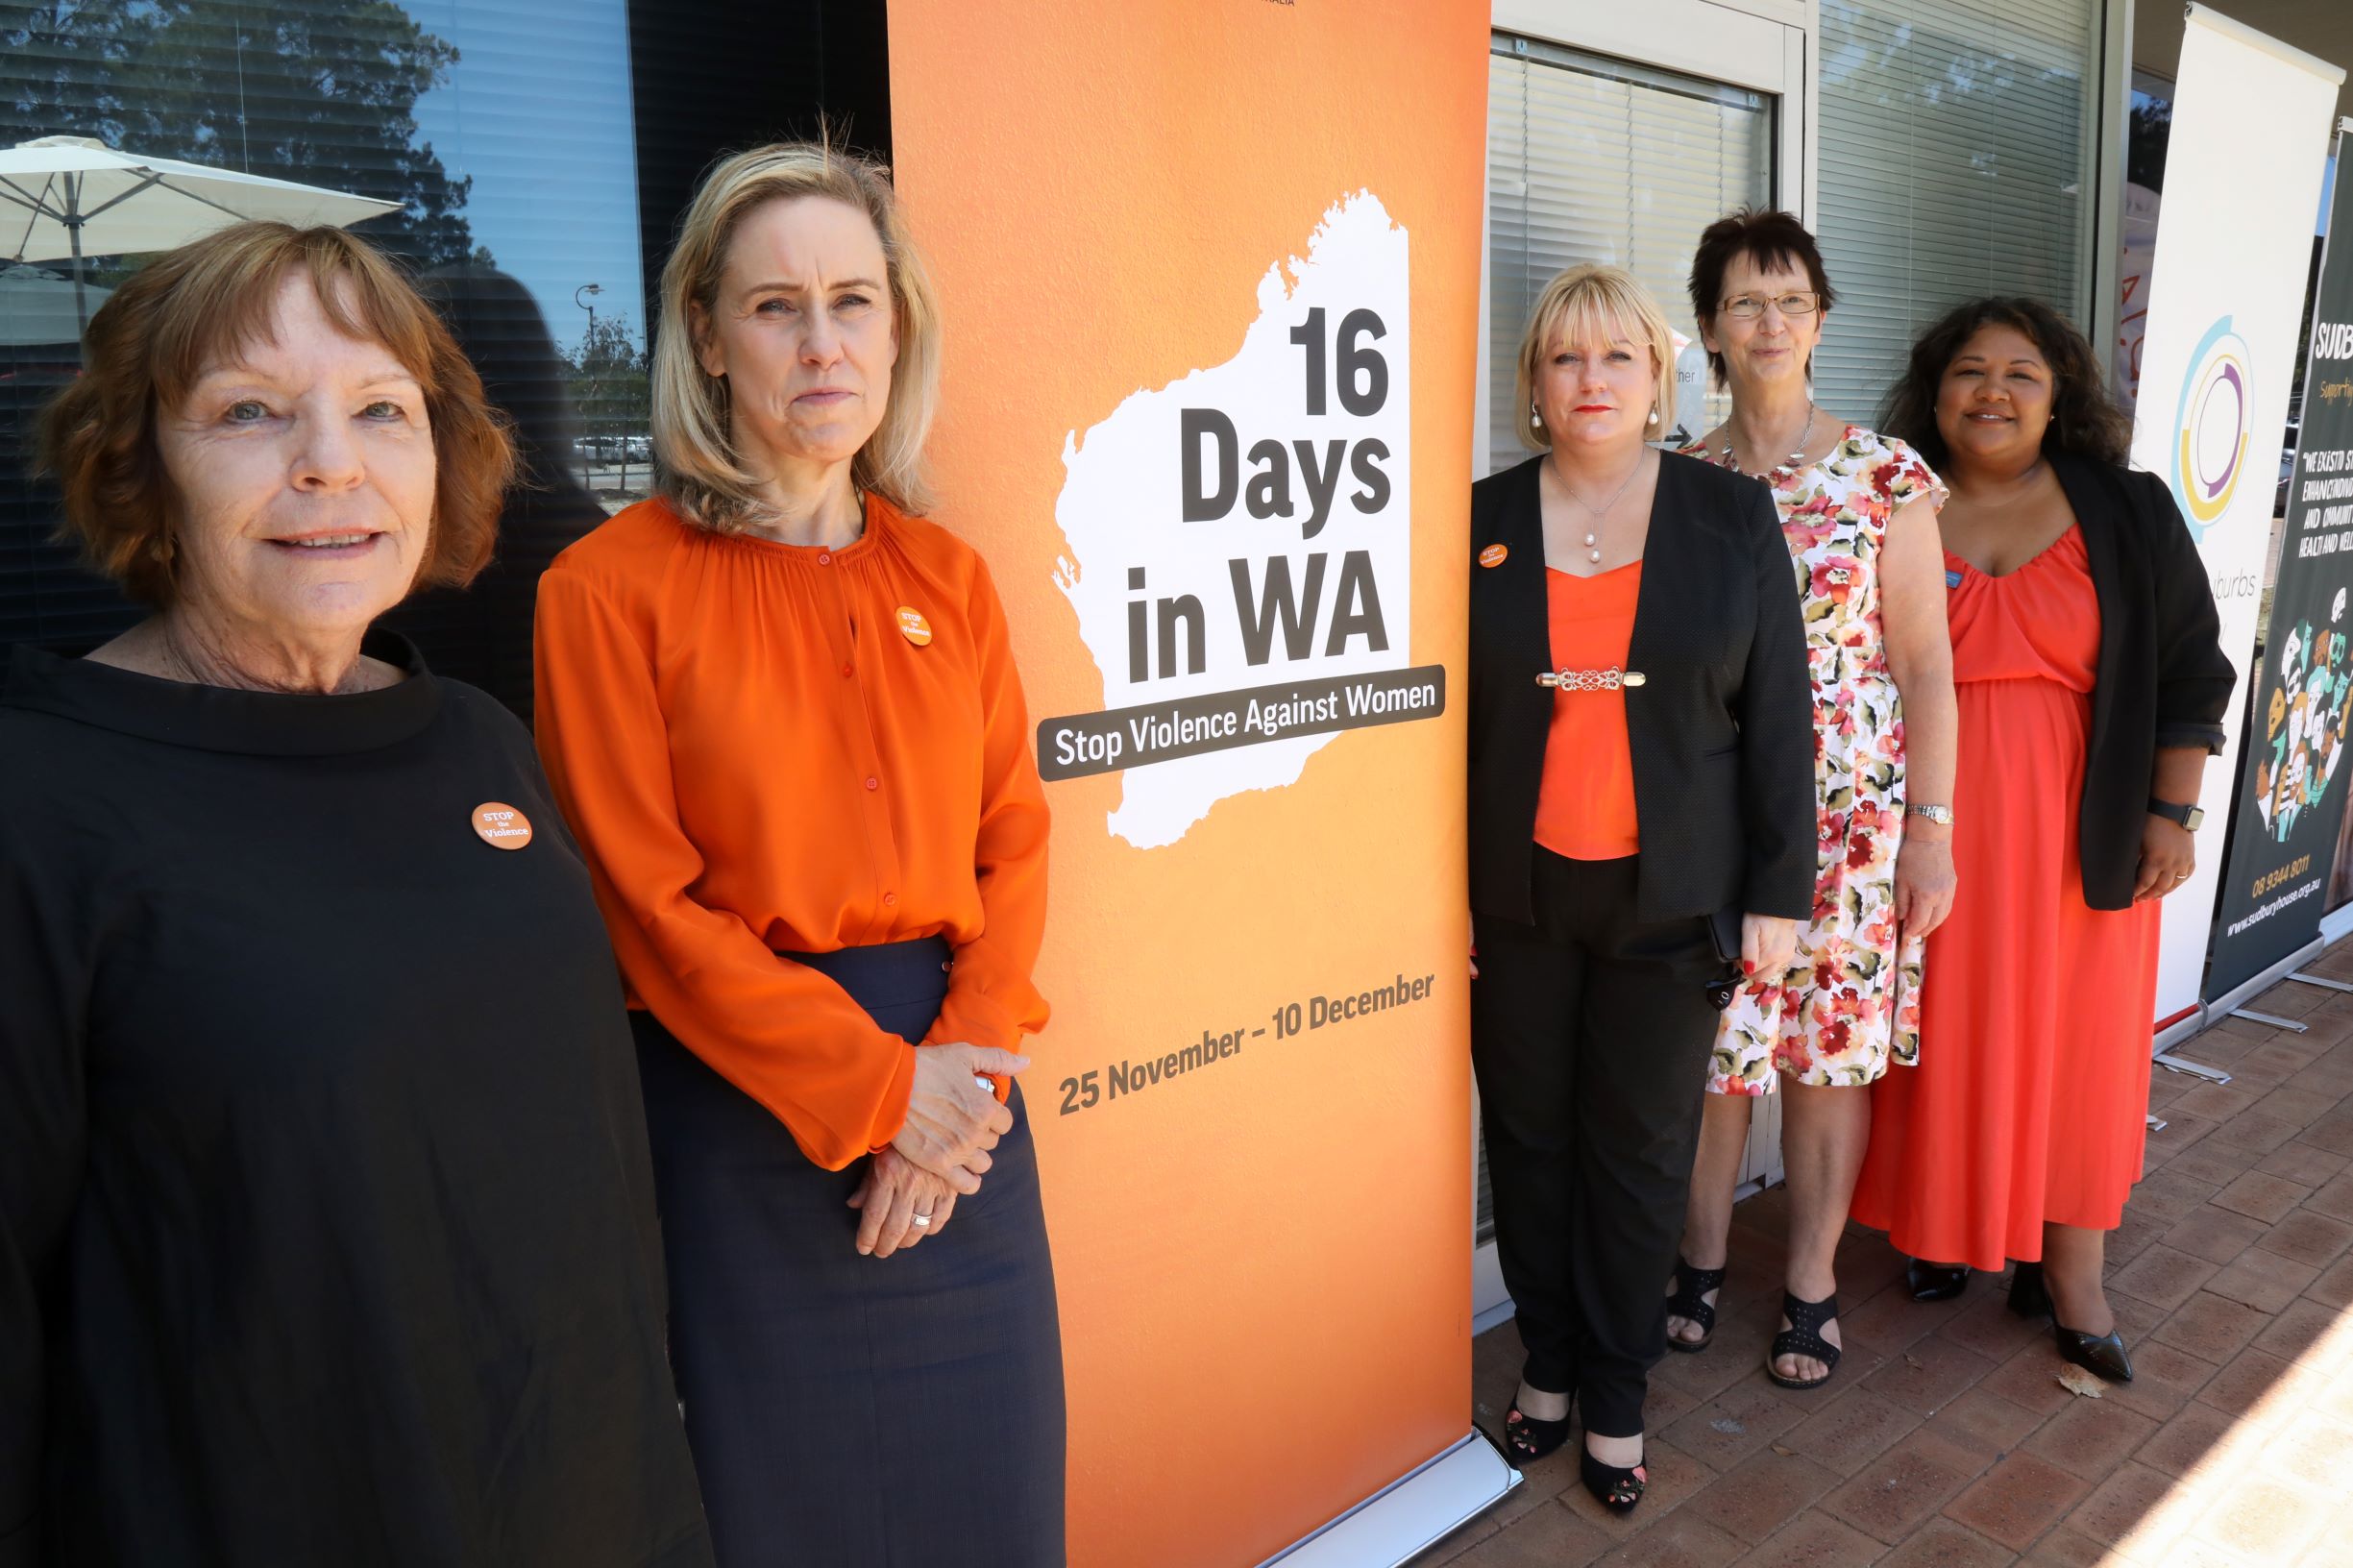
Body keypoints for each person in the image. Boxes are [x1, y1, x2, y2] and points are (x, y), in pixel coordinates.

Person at [0, 223, 712, 1566]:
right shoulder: (40, 801)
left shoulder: (484, 746)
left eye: (382, 409)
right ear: (144, 465)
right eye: (250, 410)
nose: (330, 460)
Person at [531, 142, 1065, 1565]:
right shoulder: (604, 592)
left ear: (899, 326)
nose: (821, 341)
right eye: (774, 307)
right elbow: (642, 908)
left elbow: (1014, 841)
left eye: (853, 299)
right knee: (792, 1514)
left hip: (965, 1098)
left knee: (996, 1506)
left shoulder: (948, 576)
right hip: (740, 1106)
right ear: (705, 335)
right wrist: (880, 1091)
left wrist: (952, 1087)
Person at [1469, 262, 1814, 1512]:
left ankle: (1614, 1394)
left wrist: (1780, 889)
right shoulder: (1478, 519)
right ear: (1534, 384)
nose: (1591, 381)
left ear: (1658, 376)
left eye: (1617, 358)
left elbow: (1781, 719)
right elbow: (1435, 733)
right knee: (1529, 1144)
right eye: (1566, 359)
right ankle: (1547, 1368)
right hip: (1515, 897)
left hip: (1671, 897)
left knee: (1637, 1156)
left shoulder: (1729, 521)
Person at [1853, 297, 2234, 1383]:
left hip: (2082, 831)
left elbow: (2191, 669)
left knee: (2074, 1055)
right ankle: (1943, 1231)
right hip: (1928, 830)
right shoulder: (1894, 509)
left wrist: (2171, 812)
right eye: (1969, 371)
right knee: (1944, 1039)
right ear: (1932, 395)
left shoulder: (2126, 510)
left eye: (2021, 372)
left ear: (2059, 393)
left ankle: (2069, 1271)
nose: (1993, 391)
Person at [1663, 209, 1959, 1388]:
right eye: (1744, 302)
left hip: (1852, 813)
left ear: (1820, 319)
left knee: (1825, 1057)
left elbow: (1927, 665)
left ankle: (1810, 1281)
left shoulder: (1884, 473)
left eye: (1790, 299)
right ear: (1708, 332)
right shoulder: (1677, 478)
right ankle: (1695, 1259)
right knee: (1713, 1055)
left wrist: (1928, 832)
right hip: (1717, 817)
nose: (1769, 321)